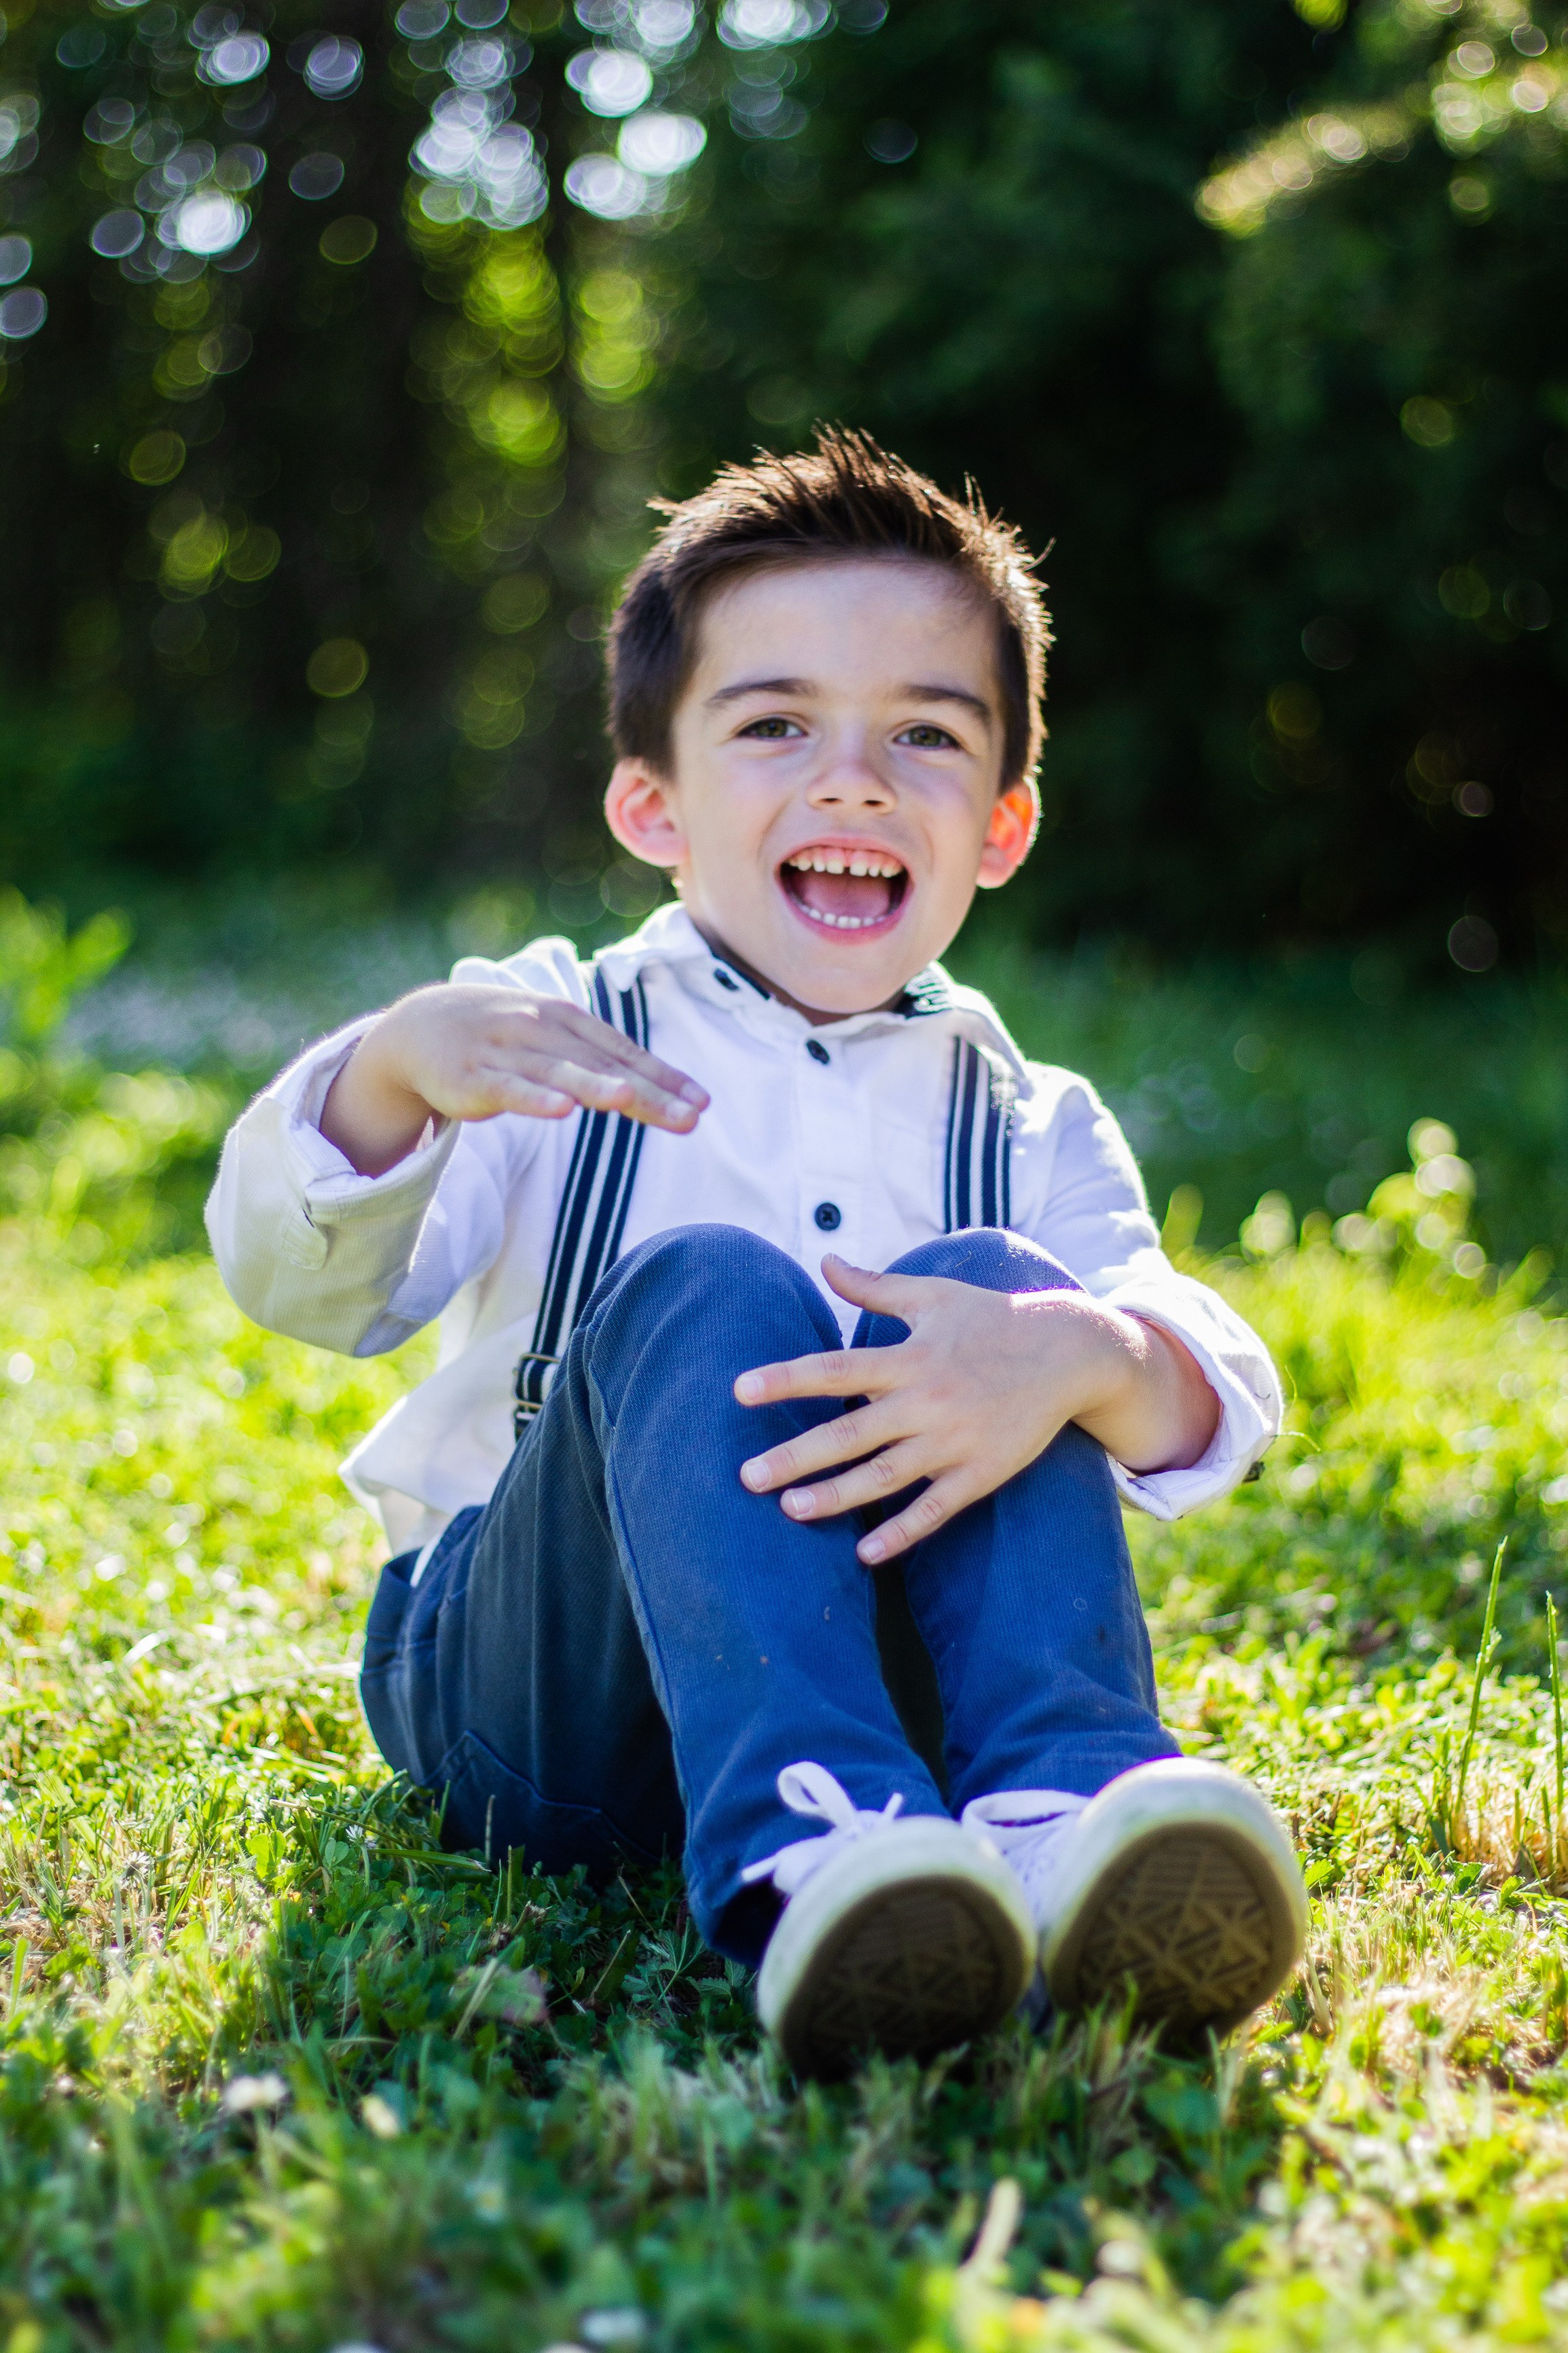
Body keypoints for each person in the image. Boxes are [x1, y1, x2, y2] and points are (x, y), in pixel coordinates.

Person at [207, 428, 1305, 2078]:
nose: (853, 781)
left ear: (1003, 825)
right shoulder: (540, 1037)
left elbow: (1204, 1395)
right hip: (541, 1701)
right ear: (651, 804)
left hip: (906, 1698)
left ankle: (1057, 1808)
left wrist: (1082, 1352)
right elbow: (306, 1285)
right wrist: (388, 1074)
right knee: (707, 1281)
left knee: (1018, 1294)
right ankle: (811, 1859)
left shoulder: (1032, 1121)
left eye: (924, 734)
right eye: (776, 723)